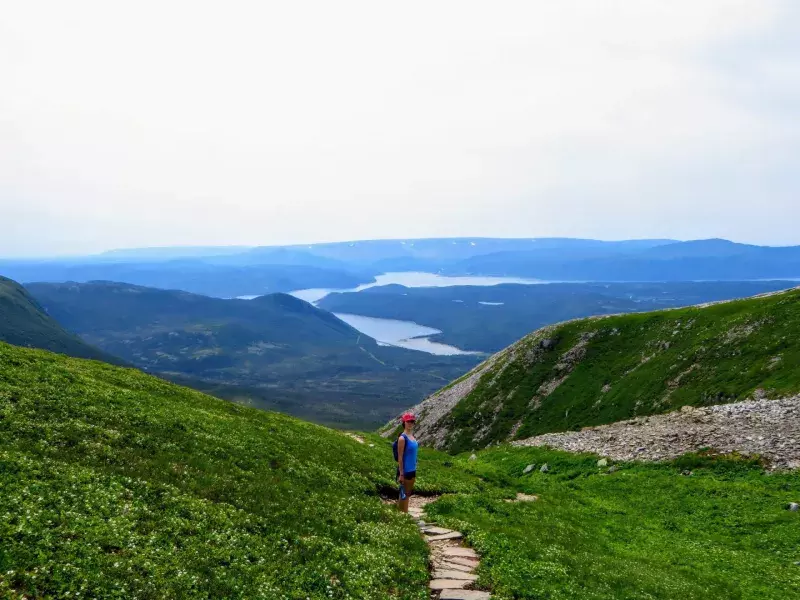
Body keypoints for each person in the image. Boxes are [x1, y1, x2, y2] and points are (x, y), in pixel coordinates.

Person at [396, 412, 419, 513]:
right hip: (405, 471)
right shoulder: (402, 438)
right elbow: (400, 457)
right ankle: (402, 514)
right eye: (408, 421)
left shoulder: (412, 437)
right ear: (404, 423)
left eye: (412, 422)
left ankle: (404, 512)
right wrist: (401, 473)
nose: (410, 423)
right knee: (403, 494)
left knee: (407, 493)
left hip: (412, 469)